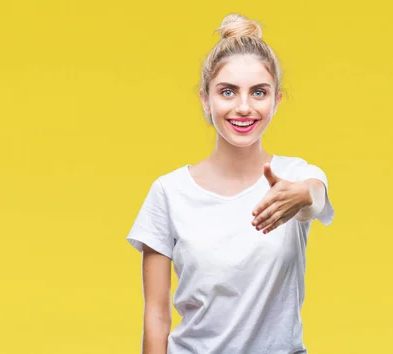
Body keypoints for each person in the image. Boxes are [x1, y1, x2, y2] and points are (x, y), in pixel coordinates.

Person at [126, 13, 335, 354]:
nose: (243, 107)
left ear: (276, 101)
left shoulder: (294, 176)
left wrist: (303, 195)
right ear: (206, 99)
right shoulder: (168, 192)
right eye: (227, 92)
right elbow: (156, 316)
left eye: (258, 92)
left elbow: (317, 195)